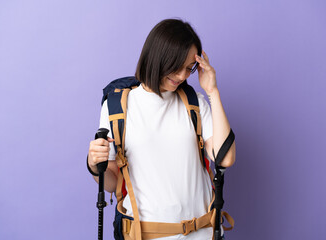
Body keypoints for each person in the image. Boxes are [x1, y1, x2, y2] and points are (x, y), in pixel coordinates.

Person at [87, 19, 236, 240]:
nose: (183, 76)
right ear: (158, 57)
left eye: (189, 68)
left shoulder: (193, 102)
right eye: (176, 67)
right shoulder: (117, 106)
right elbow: (110, 184)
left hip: (204, 234)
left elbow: (225, 158)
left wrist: (212, 91)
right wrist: (93, 165)